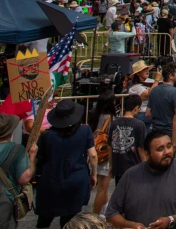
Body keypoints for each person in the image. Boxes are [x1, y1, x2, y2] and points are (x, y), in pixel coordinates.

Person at [105, 130, 176, 228]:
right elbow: (111, 215)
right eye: (160, 149)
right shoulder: (130, 176)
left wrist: (172, 219)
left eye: (169, 146)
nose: (167, 152)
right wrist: (129, 225)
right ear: (147, 154)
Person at [32, 99, 97, 228]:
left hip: (51, 179)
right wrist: (93, 174)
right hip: (77, 178)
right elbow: (93, 155)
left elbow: (39, 157)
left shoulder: (47, 135)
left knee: (44, 219)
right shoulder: (85, 130)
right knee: (69, 220)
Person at [106, 94, 146, 184]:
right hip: (134, 166)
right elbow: (140, 147)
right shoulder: (139, 124)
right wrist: (144, 163)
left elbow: (110, 146)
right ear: (136, 108)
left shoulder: (114, 123)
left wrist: (111, 165)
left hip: (118, 166)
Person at [89, 91, 118, 214]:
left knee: (103, 188)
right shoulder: (110, 119)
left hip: (95, 153)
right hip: (106, 156)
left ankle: (105, 211)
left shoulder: (94, 116)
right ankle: (95, 216)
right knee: (102, 189)